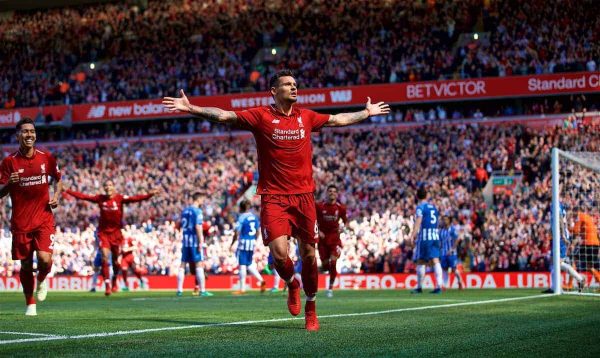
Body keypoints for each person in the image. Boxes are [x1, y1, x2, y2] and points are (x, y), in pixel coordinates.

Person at [163, 69, 390, 331]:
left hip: (304, 196)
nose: (294, 88)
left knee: (308, 255)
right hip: (274, 197)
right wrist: (192, 108)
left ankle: (312, 307)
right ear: (274, 90)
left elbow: (338, 119)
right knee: (280, 254)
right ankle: (292, 283)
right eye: (287, 85)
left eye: (295, 84)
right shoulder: (261, 116)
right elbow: (225, 116)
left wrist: (367, 113)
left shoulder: (306, 116)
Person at [0, 118, 63, 316]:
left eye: (32, 131)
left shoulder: (46, 158)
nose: (30, 135)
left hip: (44, 219)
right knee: (26, 264)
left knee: (44, 260)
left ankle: (42, 279)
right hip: (21, 223)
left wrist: (55, 196)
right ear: (18, 135)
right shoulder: (9, 162)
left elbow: (58, 179)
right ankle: (30, 303)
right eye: (25, 131)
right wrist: (9, 183)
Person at [64, 180, 158, 296]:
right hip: (104, 234)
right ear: (104, 188)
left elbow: (136, 198)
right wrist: (67, 190)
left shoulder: (120, 198)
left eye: (110, 185)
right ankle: (107, 286)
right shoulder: (100, 198)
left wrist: (150, 194)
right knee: (104, 257)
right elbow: (84, 197)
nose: (108, 187)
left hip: (116, 235)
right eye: (106, 185)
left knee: (115, 262)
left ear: (113, 187)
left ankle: (114, 280)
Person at [543, 203, 585, 294]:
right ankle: (554, 287)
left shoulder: (555, 204)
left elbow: (560, 219)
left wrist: (562, 235)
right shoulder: (558, 204)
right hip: (557, 236)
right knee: (555, 262)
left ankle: (579, 279)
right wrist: (551, 232)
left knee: (558, 262)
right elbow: (556, 220)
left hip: (560, 236)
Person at [408, 186, 443, 294]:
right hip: (435, 236)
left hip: (425, 237)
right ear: (426, 196)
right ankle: (438, 286)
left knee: (421, 261)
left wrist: (413, 235)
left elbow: (418, 221)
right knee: (435, 260)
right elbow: (436, 222)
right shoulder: (433, 208)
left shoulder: (420, 207)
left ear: (417, 196)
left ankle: (419, 287)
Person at [177, 192, 212, 297]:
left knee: (182, 264)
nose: (203, 202)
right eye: (202, 200)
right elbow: (198, 227)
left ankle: (179, 290)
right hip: (194, 241)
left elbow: (181, 225)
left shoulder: (185, 211)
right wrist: (201, 241)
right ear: (199, 199)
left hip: (185, 240)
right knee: (198, 264)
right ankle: (202, 290)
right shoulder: (198, 211)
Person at [316, 185, 347, 298]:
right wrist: (318, 231)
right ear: (326, 193)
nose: (332, 193)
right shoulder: (319, 206)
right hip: (323, 240)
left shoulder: (341, 208)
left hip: (335, 239)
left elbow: (345, 221)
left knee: (333, 263)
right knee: (325, 266)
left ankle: (330, 288)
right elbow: (313, 220)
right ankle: (325, 270)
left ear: (337, 194)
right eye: (330, 191)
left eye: (334, 191)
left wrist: (344, 227)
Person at [230, 200, 266, 294]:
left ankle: (242, 289)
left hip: (243, 243)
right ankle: (261, 280)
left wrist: (232, 243)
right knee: (248, 264)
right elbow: (258, 231)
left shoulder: (242, 217)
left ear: (241, 208)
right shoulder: (254, 217)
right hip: (251, 243)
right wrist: (254, 240)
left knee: (242, 265)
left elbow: (237, 232)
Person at [439, 216, 464, 290]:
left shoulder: (452, 229)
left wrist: (452, 249)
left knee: (454, 269)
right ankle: (445, 285)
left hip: (452, 253)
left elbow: (457, 239)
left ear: (449, 221)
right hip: (443, 253)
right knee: (444, 269)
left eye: (446, 220)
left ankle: (460, 281)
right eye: (443, 220)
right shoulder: (441, 231)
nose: (444, 221)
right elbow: (440, 242)